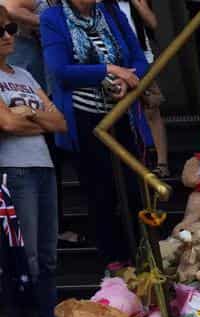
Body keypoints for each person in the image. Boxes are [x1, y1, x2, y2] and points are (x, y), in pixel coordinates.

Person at [41, 0, 151, 264]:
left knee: (135, 190)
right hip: (84, 120)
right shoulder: (53, 18)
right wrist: (109, 70)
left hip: (122, 116)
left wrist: (128, 79)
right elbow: (60, 70)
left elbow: (138, 56)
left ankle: (143, 257)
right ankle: (114, 264)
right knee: (101, 193)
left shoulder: (111, 12)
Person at [0, 4, 62, 317]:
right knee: (26, 262)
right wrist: (28, 118)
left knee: (49, 259)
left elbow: (60, 122)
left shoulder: (23, 73)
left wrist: (28, 116)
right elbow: (6, 125)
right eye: (1, 31)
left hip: (43, 167)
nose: (8, 35)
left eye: (10, 29)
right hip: (12, 171)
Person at [113, 0, 166, 176]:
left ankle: (161, 163)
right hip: (116, 61)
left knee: (151, 109)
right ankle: (133, 164)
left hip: (142, 58)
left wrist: (137, 3)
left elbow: (153, 23)